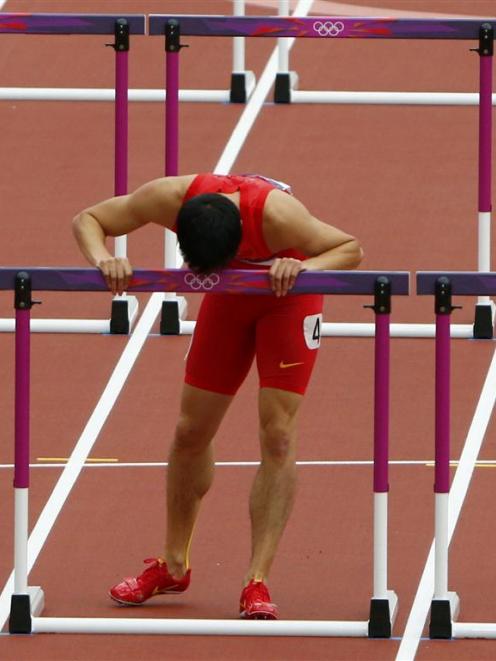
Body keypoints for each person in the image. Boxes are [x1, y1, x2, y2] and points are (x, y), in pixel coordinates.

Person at [72, 172, 363, 619]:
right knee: (191, 430)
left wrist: (306, 267)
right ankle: (173, 565)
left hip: (286, 295)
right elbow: (89, 218)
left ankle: (256, 580)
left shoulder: (278, 215)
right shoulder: (169, 197)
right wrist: (102, 259)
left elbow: (350, 248)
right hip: (226, 295)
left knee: (278, 435)